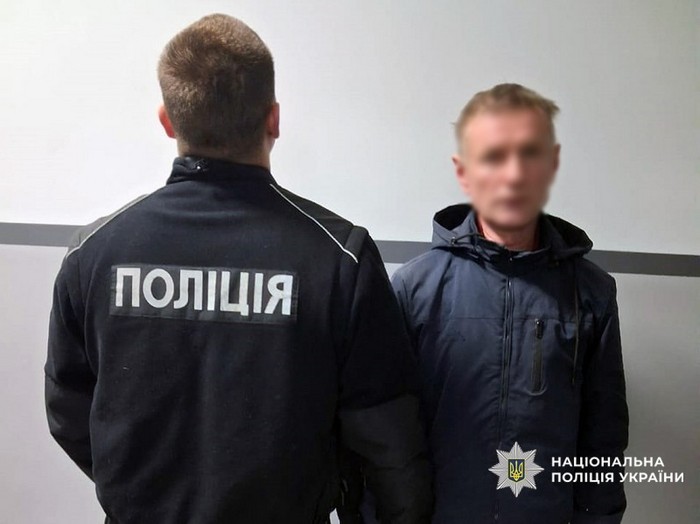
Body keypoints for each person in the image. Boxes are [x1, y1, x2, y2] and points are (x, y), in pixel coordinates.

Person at [44, 14, 431, 524]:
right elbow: (387, 441)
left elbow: (69, 412)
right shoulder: (339, 258)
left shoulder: (93, 254)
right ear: (273, 120)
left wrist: (142, 492)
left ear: (167, 121)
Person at [389, 84, 628, 523]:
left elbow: (604, 438)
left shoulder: (592, 293)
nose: (514, 175)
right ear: (465, 171)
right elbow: (387, 437)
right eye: (494, 156)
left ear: (551, 164)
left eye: (529, 154)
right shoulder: (413, 289)